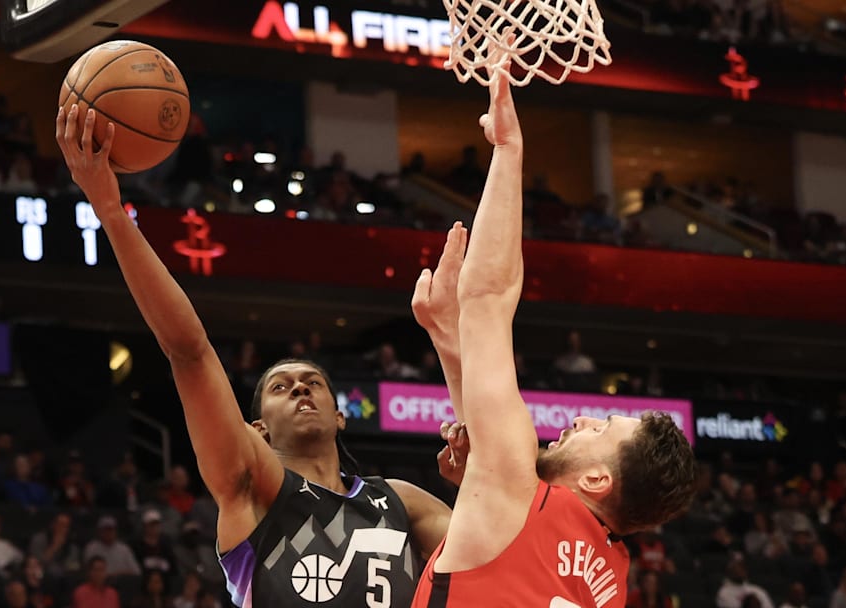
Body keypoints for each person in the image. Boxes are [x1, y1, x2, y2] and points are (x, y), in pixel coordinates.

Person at [55, 103, 467, 607]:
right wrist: (112, 213)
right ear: (257, 430)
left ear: (340, 417)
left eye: (313, 382)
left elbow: (496, 544)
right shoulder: (253, 484)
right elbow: (188, 351)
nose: (299, 387)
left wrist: (476, 477)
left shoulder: (399, 500)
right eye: (280, 386)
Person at [410, 59, 696, 607]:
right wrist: (449, 339)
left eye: (601, 427)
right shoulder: (611, 576)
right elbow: (498, 487)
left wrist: (508, 150)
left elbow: (488, 298)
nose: (583, 418)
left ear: (595, 481)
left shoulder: (520, 494)